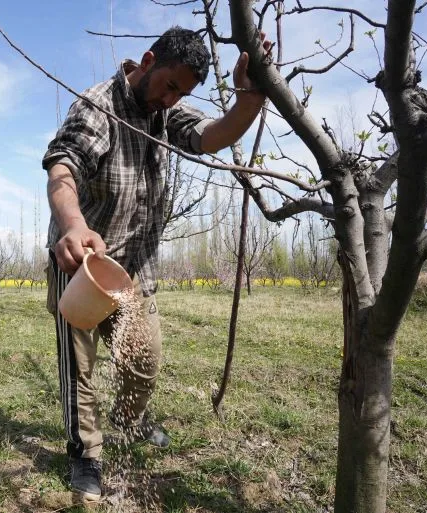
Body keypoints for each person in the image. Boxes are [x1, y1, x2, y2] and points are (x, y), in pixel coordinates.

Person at [43, 26, 271, 503]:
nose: (172, 99)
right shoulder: (98, 107)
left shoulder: (164, 111)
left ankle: (131, 418)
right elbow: (63, 167)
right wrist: (72, 224)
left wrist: (249, 100)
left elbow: (210, 137)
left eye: (182, 93)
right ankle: (85, 453)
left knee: (144, 361)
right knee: (79, 367)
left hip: (134, 273)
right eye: (170, 86)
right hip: (83, 266)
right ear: (147, 61)